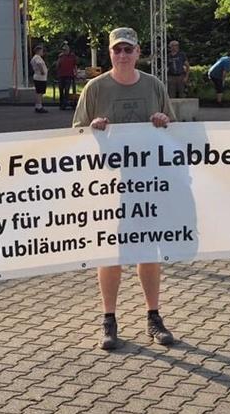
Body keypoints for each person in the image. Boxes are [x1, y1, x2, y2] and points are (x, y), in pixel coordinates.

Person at [72, 27, 177, 350]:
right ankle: (109, 319)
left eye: (128, 50)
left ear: (138, 52)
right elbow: (75, 135)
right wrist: (92, 130)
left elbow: (175, 132)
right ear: (110, 53)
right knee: (111, 253)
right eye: (117, 50)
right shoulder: (95, 88)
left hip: (148, 186)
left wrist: (163, 122)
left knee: (148, 251)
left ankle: (153, 317)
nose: (122, 55)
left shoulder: (153, 86)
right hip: (108, 186)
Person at [56, 42, 79, 110]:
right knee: (61, 89)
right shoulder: (61, 56)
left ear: (68, 50)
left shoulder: (72, 56)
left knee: (67, 89)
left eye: (65, 50)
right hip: (61, 75)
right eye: (63, 50)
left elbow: (75, 65)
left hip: (69, 75)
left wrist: (76, 73)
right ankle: (61, 103)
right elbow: (57, 65)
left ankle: (64, 104)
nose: (64, 51)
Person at [30, 43, 49, 113]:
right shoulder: (37, 57)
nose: (42, 52)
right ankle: (39, 106)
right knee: (39, 92)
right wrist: (42, 71)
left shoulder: (35, 58)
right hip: (40, 78)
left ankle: (38, 105)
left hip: (38, 77)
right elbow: (39, 64)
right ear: (38, 51)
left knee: (39, 92)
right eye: (41, 51)